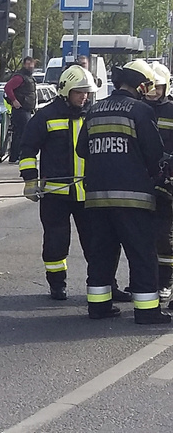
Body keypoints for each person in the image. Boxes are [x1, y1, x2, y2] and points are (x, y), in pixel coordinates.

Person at [19, 65, 129, 301]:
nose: (84, 97)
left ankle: (108, 285)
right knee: (56, 243)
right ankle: (57, 284)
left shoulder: (94, 114)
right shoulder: (45, 116)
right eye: (79, 92)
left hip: (90, 194)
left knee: (98, 244)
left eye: (87, 92)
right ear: (66, 91)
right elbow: (28, 149)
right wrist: (30, 180)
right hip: (56, 194)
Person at [76, 59, 169, 324]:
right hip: (133, 198)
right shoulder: (140, 111)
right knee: (141, 253)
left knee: (102, 253)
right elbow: (154, 153)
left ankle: (98, 306)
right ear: (140, 85)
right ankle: (147, 311)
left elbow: (82, 149)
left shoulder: (94, 110)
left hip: (96, 197)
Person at [144, 62, 173, 302]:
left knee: (164, 237)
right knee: (140, 237)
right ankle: (145, 282)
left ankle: (165, 282)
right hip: (140, 183)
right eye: (149, 87)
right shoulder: (138, 110)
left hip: (167, 186)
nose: (153, 92)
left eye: (157, 87)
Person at [5, 56, 38, 164]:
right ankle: (17, 156)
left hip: (26, 109)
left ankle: (15, 156)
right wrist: (14, 100)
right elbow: (8, 87)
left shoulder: (29, 77)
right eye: (28, 64)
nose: (30, 66)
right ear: (24, 65)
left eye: (31, 64)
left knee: (20, 133)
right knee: (22, 133)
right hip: (21, 111)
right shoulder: (20, 77)